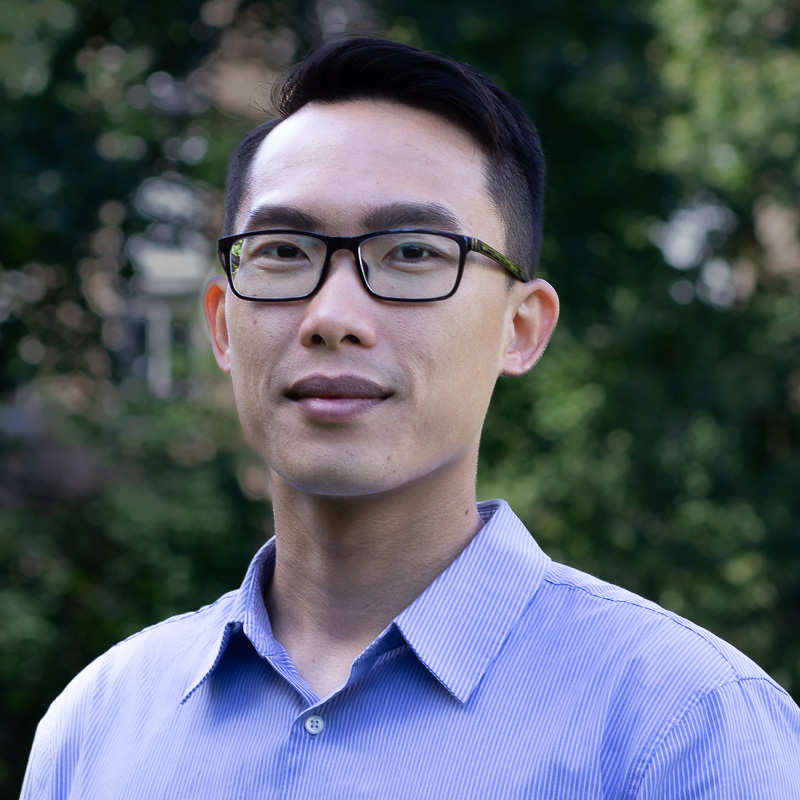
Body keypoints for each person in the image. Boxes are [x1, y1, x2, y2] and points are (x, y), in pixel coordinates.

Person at [21, 36, 800, 799]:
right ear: (223, 326)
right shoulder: (99, 727)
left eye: (413, 254)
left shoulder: (681, 726)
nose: (332, 316)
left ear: (521, 328)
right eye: (283, 251)